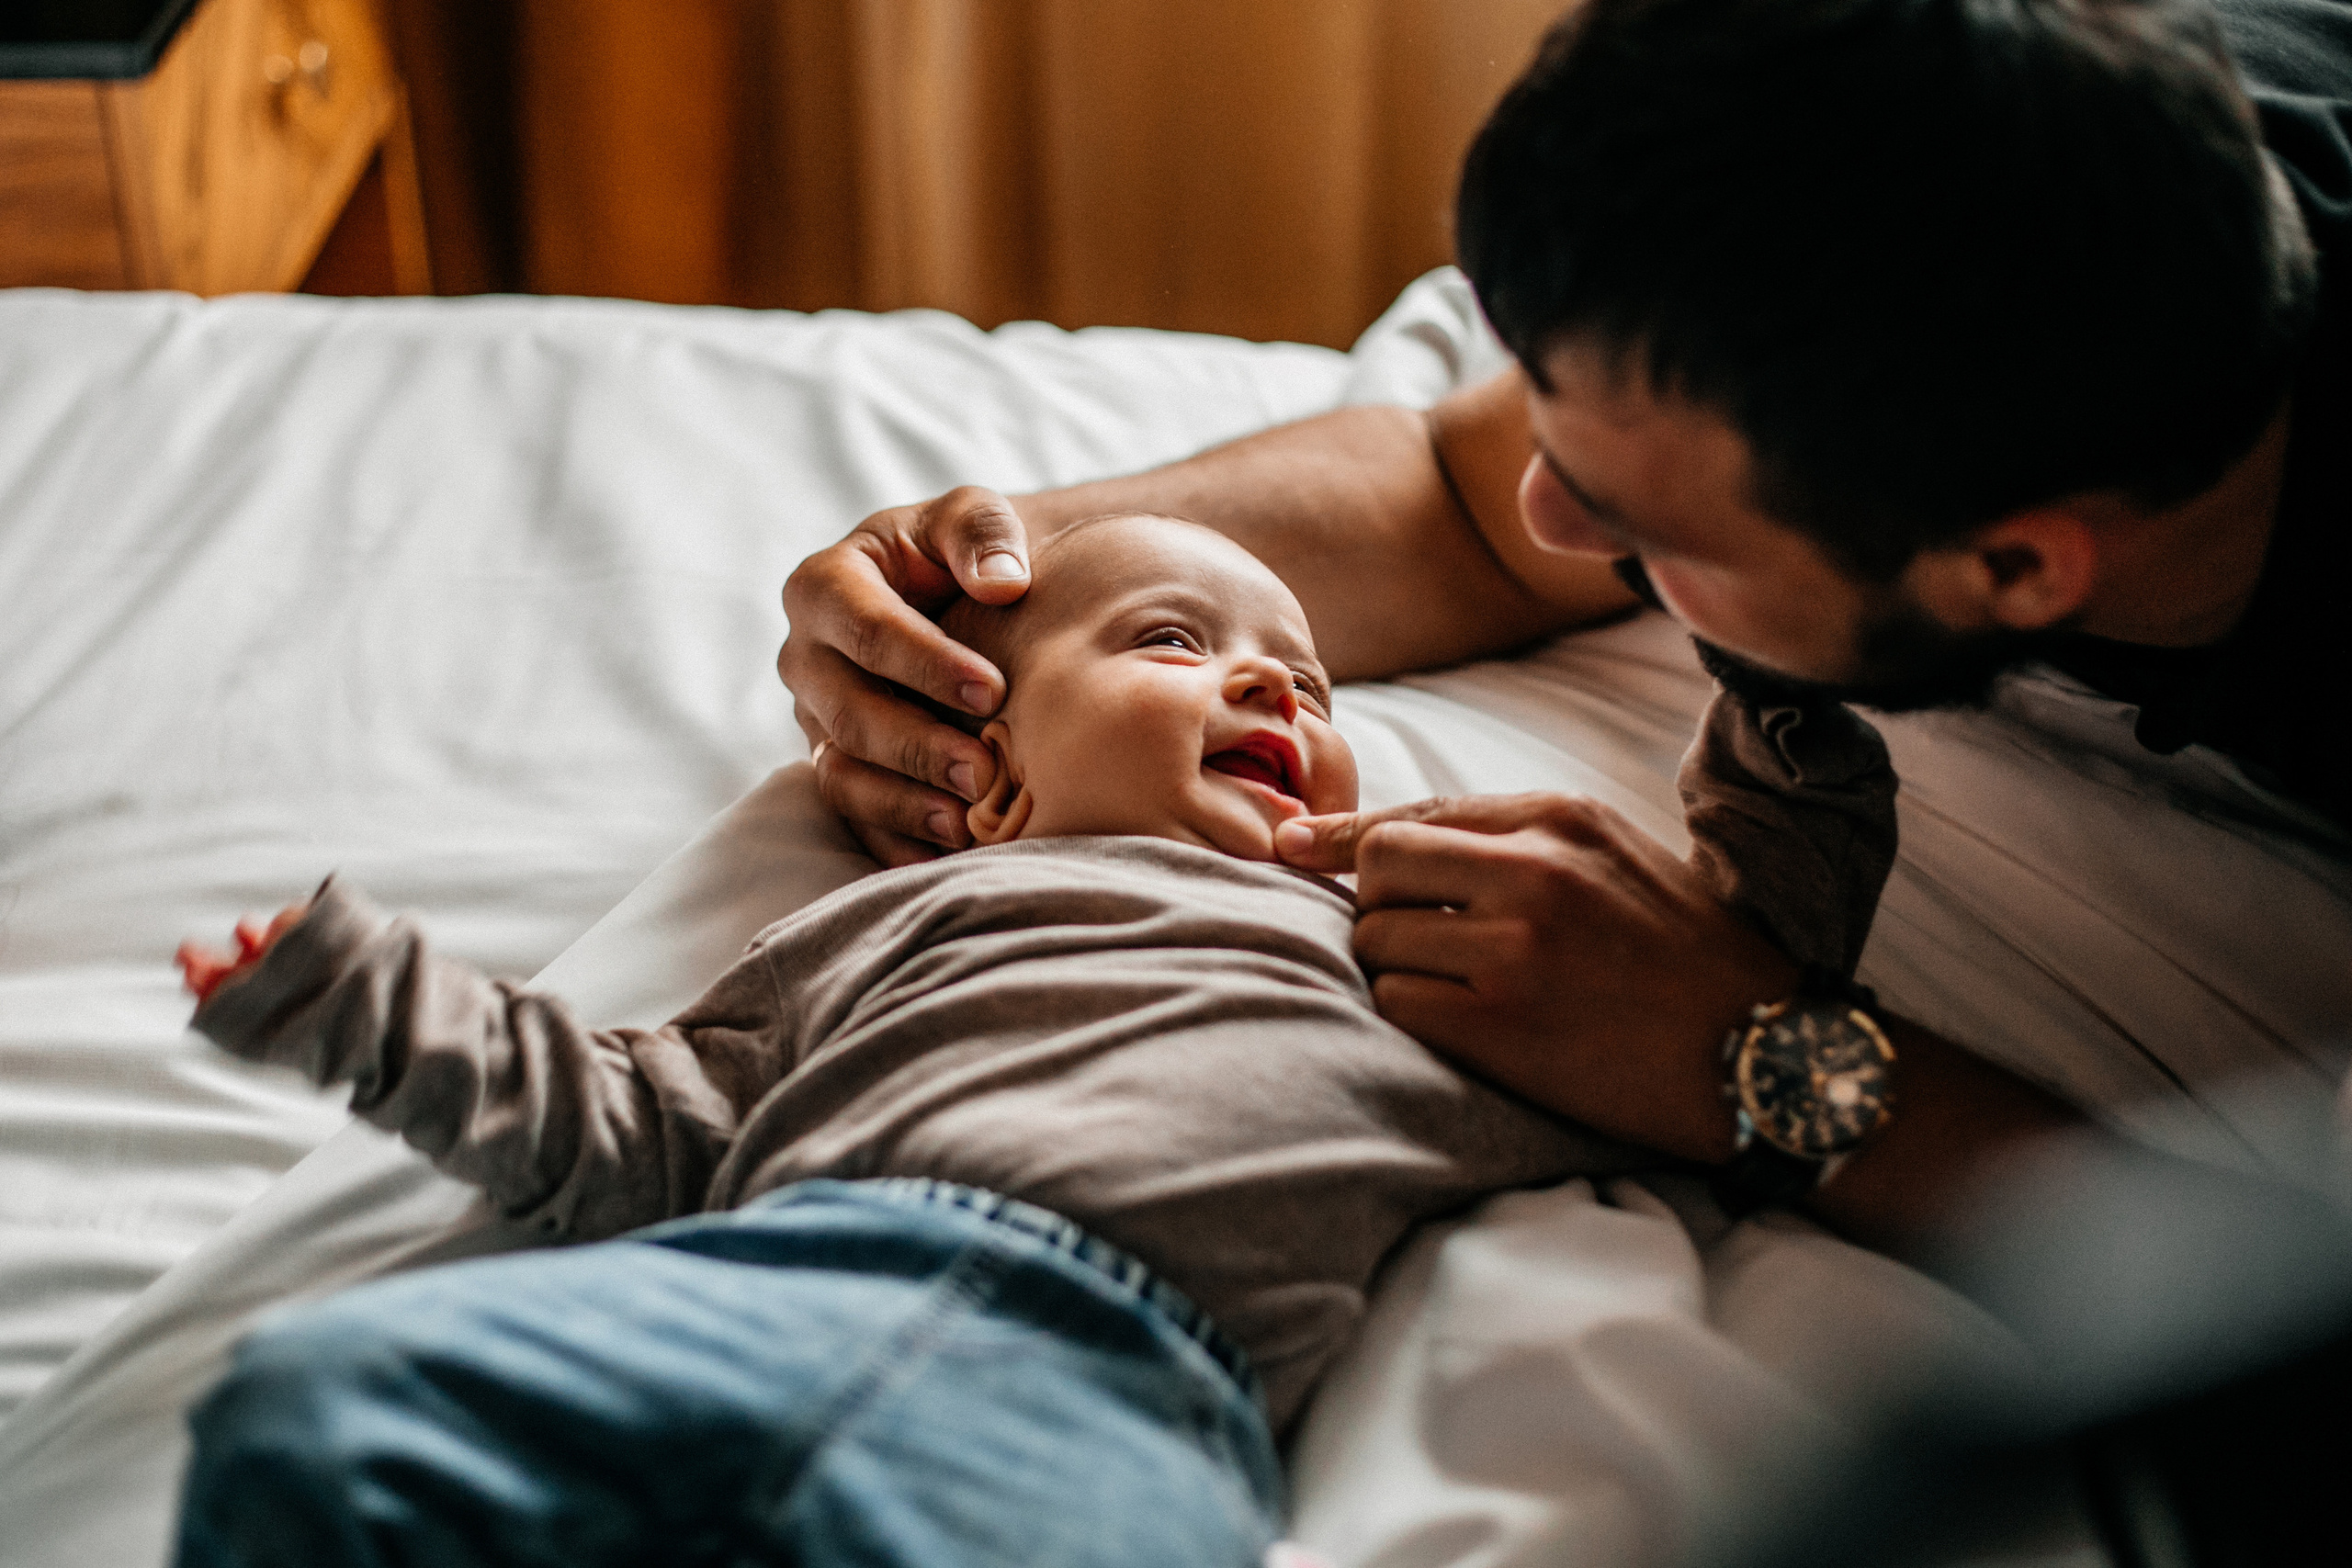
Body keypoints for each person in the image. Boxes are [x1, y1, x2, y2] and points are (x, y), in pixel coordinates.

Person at [775, 0, 2350, 1257]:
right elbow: (1457, 502)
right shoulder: (1999, 151)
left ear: (2017, 570)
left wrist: (1753, 1055)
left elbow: (2270, 1323)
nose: (1548, 522)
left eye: (1651, 533)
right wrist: (1007, 586)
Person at [168, 514, 1895, 1567]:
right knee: (312, 1408)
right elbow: (633, 1121)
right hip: (775, 1282)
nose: (1276, 691)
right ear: (980, 782)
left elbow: (1727, 965)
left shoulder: (1414, 930)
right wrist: (375, 1007)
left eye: (1309, 680)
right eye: (1175, 643)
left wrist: (1784, 704)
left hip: (1118, 1395)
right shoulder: (873, 923)